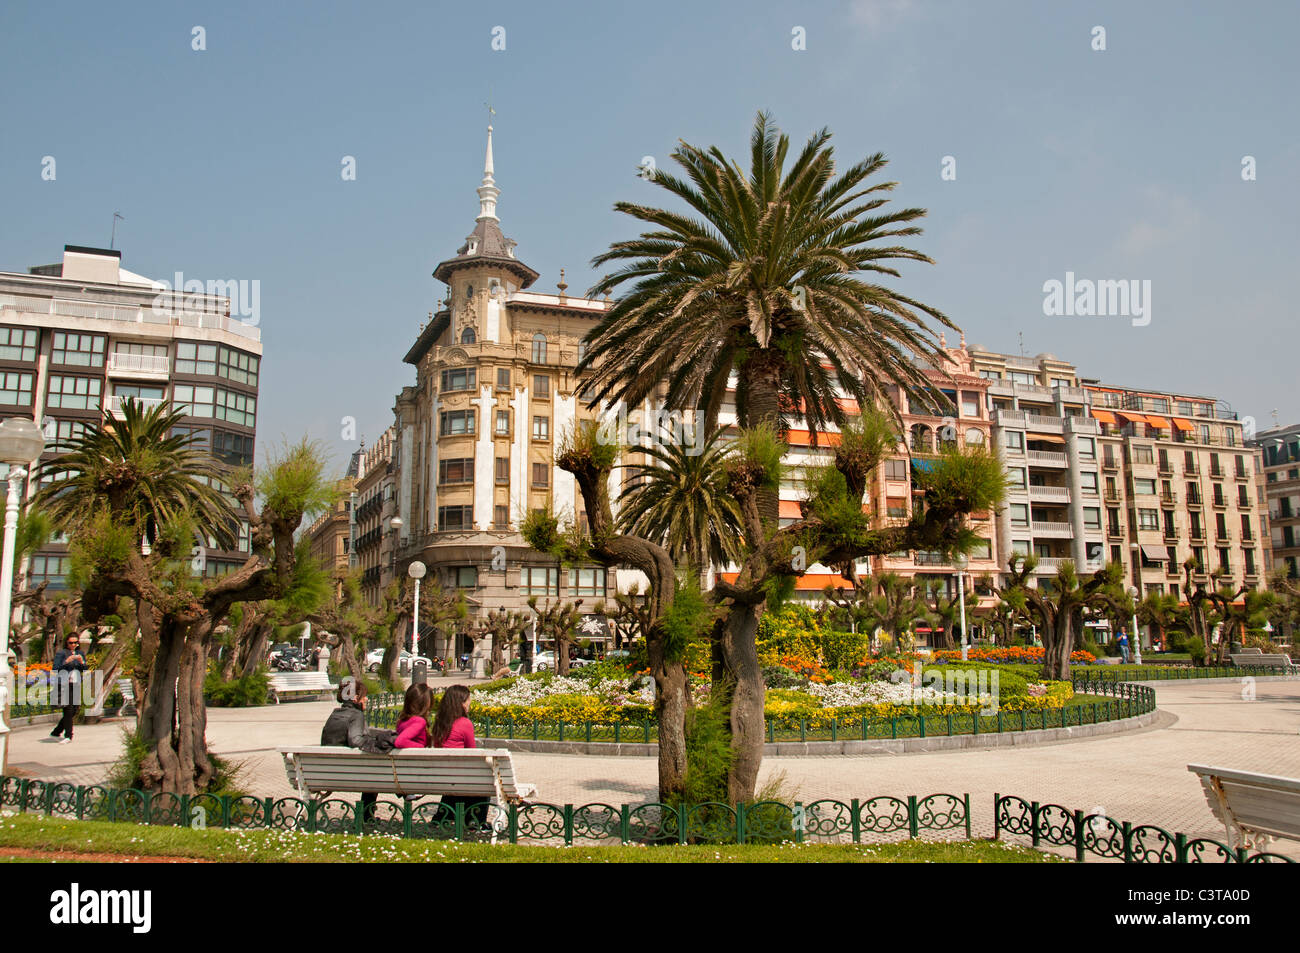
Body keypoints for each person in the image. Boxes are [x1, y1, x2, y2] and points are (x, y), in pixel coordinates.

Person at [320, 678, 393, 822]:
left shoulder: (335, 714)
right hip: (350, 774)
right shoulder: (356, 715)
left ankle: (367, 815)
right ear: (355, 698)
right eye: (363, 695)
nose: (366, 698)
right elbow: (356, 740)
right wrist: (376, 743)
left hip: (327, 773)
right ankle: (366, 816)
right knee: (374, 773)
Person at [431, 684, 489, 830]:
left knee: (456, 777)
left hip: (442, 775)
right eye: (467, 700)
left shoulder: (439, 723)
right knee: (485, 779)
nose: (469, 703)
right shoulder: (465, 723)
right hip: (460, 775)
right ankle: (475, 820)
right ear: (460, 703)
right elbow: (472, 752)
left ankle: (443, 816)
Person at [49, 634, 87, 744]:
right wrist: (66, 661)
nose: (73, 645)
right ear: (67, 642)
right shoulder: (62, 653)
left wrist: (82, 662)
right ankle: (68, 736)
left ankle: (56, 731)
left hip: (76, 684)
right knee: (68, 710)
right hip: (65, 684)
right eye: (71, 643)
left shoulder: (80, 653)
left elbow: (85, 669)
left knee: (74, 710)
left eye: (75, 642)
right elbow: (55, 668)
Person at [394, 684, 432, 748]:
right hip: (415, 757)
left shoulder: (402, 721)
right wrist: (422, 748)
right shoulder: (419, 721)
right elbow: (400, 742)